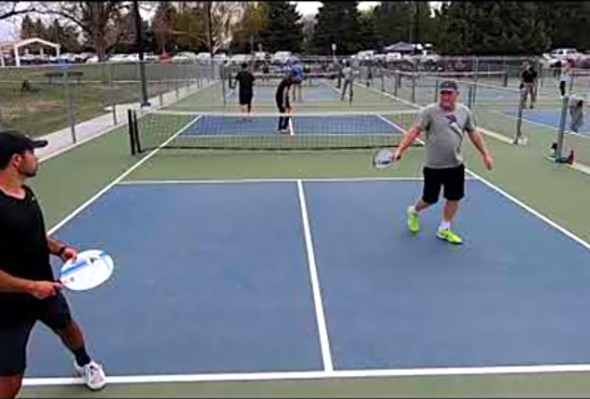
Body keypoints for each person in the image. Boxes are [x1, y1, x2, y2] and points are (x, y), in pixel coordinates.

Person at [0, 131, 106, 398]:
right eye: (32, 153)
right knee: (10, 380)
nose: (37, 159)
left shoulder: (26, 192)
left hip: (46, 288)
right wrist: (30, 287)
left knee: (67, 327)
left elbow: (34, 235)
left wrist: (60, 249)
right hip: (8, 304)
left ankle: (85, 362)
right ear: (16, 160)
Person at [392, 81, 494, 245]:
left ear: (456, 95)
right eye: (443, 93)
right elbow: (414, 131)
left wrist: (485, 154)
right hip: (434, 167)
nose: (445, 97)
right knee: (430, 199)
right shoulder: (429, 112)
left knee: (454, 198)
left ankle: (444, 228)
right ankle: (414, 210)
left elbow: (473, 133)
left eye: (449, 93)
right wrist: (400, 150)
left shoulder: (464, 111)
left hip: (455, 165)